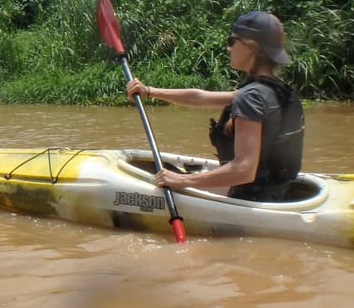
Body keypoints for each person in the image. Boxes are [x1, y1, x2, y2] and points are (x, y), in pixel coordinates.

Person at [125, 11, 304, 202]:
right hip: (278, 194)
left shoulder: (251, 98)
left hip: (250, 201)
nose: (228, 49)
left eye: (232, 41)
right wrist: (150, 91)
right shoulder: (277, 92)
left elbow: (244, 170)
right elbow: (200, 98)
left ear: (252, 46)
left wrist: (182, 180)